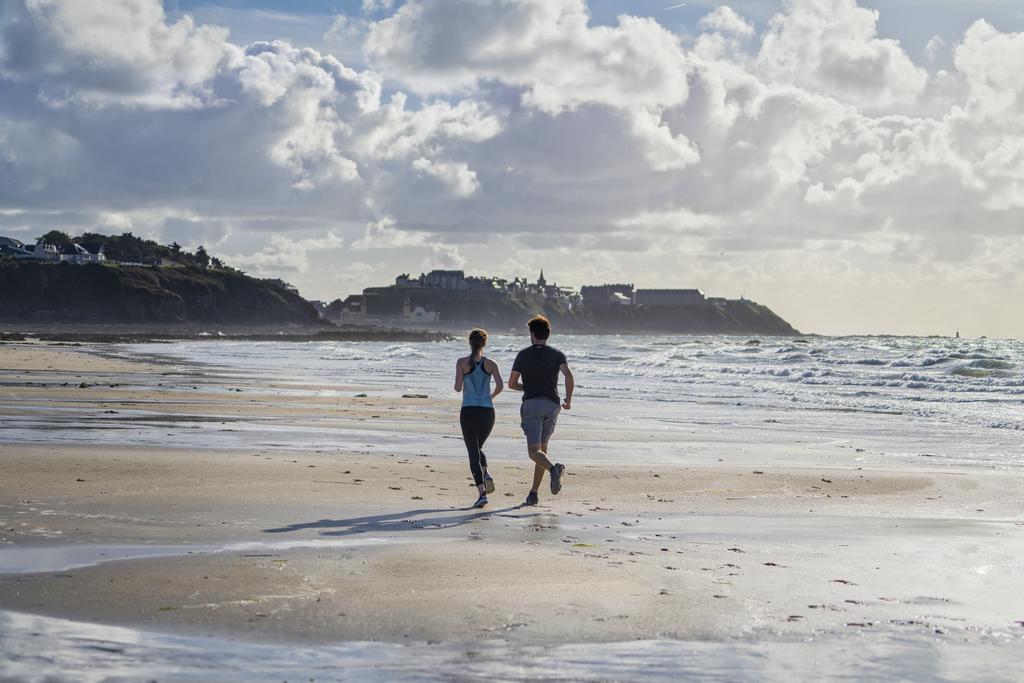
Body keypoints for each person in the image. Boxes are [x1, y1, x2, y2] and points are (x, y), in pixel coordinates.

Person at [508, 315, 574, 506]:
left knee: (533, 452)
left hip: (533, 405)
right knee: (542, 451)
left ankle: (554, 469)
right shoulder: (557, 354)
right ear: (547, 334)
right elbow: (568, 375)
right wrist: (568, 399)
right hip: (552, 406)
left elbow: (512, 383)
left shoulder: (523, 354)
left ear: (532, 334)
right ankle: (533, 493)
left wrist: (526, 387)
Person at [454, 328, 503, 508]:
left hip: (468, 410)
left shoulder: (461, 363)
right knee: (477, 447)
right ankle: (486, 473)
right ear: (484, 343)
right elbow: (500, 385)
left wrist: (462, 380)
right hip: (488, 412)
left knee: (473, 451)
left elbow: (458, 388)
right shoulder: (491, 364)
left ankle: (482, 494)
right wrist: (491, 396)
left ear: (470, 342)